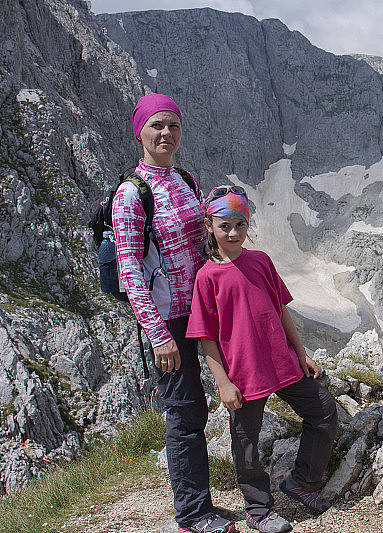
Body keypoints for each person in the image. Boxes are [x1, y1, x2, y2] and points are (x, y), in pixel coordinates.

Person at [112, 93, 236, 533]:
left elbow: (206, 241)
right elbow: (130, 270)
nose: (166, 133)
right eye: (157, 126)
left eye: (173, 126)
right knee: (185, 414)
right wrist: (158, 334)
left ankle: (213, 501)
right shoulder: (131, 194)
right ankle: (192, 514)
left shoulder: (184, 178)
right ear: (140, 132)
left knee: (215, 401)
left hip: (204, 308)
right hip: (169, 319)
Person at [186, 186, 337, 533]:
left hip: (282, 362)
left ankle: (302, 483)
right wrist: (222, 382)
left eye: (240, 224)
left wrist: (302, 354)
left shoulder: (261, 261)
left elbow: (281, 311)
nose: (234, 232)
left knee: (324, 411)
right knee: (246, 442)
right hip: (244, 374)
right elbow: (205, 337)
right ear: (210, 226)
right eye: (225, 226)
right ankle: (258, 509)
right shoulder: (207, 277)